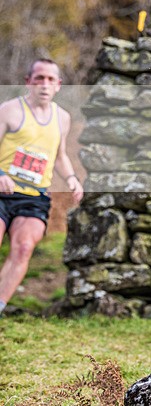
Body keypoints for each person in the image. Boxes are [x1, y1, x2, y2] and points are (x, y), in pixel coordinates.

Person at [0, 59, 83, 315]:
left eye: (50, 80)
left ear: (58, 85)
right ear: (28, 82)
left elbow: (59, 156)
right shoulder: (9, 110)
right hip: (2, 191)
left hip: (34, 196)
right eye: (39, 78)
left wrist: (71, 179)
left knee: (24, 248)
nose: (44, 85)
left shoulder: (62, 118)